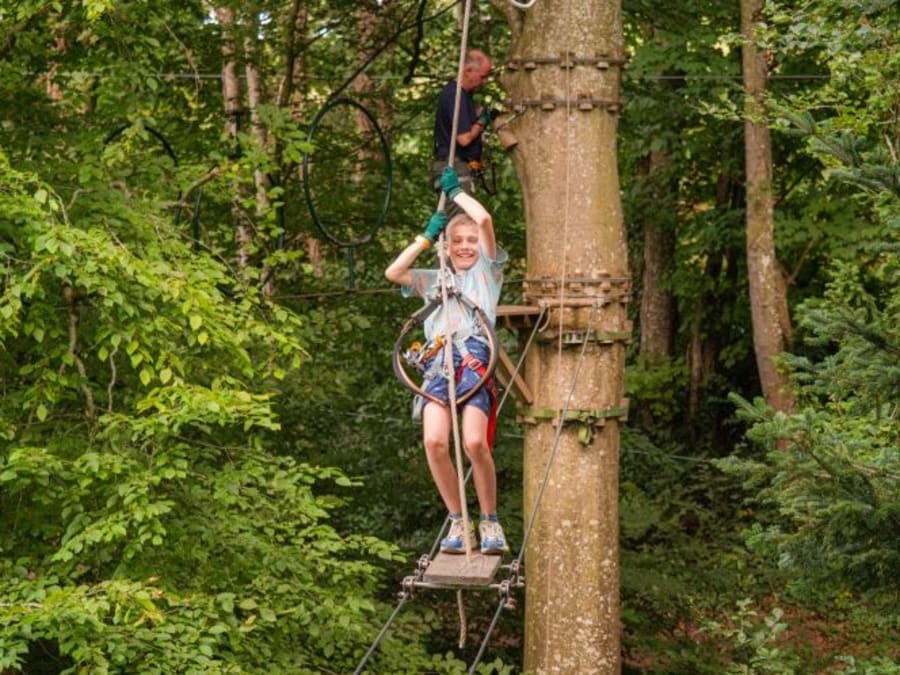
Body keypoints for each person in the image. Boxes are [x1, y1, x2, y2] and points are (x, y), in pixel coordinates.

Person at [385, 166, 509, 555]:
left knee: (474, 442)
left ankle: (489, 521)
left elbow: (484, 219)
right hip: (439, 365)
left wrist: (455, 193)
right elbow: (394, 272)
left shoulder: (487, 273)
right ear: (448, 244)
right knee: (435, 442)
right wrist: (427, 235)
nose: (466, 246)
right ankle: (458, 520)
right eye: (458, 240)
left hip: (473, 362)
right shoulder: (434, 277)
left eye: (472, 240)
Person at [431, 49, 494, 210]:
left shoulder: (462, 95)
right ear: (468, 71)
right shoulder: (455, 95)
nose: (484, 81)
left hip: (455, 166)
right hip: (454, 166)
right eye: (482, 76)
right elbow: (464, 138)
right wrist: (482, 122)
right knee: (458, 223)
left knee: (459, 222)